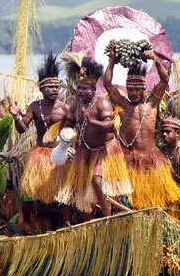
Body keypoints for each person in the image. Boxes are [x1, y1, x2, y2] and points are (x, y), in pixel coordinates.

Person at [103, 42, 180, 210]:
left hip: (152, 159)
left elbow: (165, 79)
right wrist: (112, 60)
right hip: (129, 160)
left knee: (156, 203)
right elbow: (107, 83)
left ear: (144, 89)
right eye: (130, 89)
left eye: (136, 89)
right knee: (129, 204)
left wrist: (155, 58)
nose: (133, 92)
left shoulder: (152, 103)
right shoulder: (123, 104)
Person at [56, 57, 132, 218]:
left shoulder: (101, 103)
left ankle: (107, 219)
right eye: (78, 87)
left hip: (104, 149)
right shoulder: (76, 103)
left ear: (92, 88)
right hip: (85, 151)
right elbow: (69, 121)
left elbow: (111, 126)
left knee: (97, 181)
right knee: (78, 185)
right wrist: (66, 133)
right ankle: (87, 221)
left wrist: (92, 121)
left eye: (84, 88)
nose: (80, 91)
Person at [9, 52, 71, 232]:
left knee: (63, 190)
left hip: (59, 154)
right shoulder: (35, 107)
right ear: (41, 89)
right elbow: (22, 128)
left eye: (56, 86)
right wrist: (15, 117)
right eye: (50, 87)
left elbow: (72, 129)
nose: (54, 89)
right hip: (40, 155)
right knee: (29, 190)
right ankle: (27, 222)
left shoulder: (64, 108)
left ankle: (67, 223)